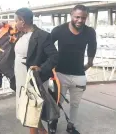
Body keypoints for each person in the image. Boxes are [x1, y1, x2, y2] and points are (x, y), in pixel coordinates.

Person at [50, 5, 97, 134]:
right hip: (61, 73)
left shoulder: (90, 31)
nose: (80, 20)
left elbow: (92, 47)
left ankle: (71, 126)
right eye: (77, 17)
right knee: (57, 102)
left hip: (79, 74)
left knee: (75, 104)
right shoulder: (58, 30)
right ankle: (53, 122)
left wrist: (89, 63)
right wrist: (51, 64)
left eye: (83, 17)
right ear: (71, 15)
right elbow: (47, 45)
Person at [14, 8, 58, 134]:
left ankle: (39, 132)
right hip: (21, 77)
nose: (14, 23)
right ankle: (42, 131)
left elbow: (54, 56)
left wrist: (41, 68)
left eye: (16, 20)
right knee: (27, 107)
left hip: (32, 78)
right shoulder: (22, 34)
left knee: (31, 107)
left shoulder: (42, 36)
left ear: (22, 21)